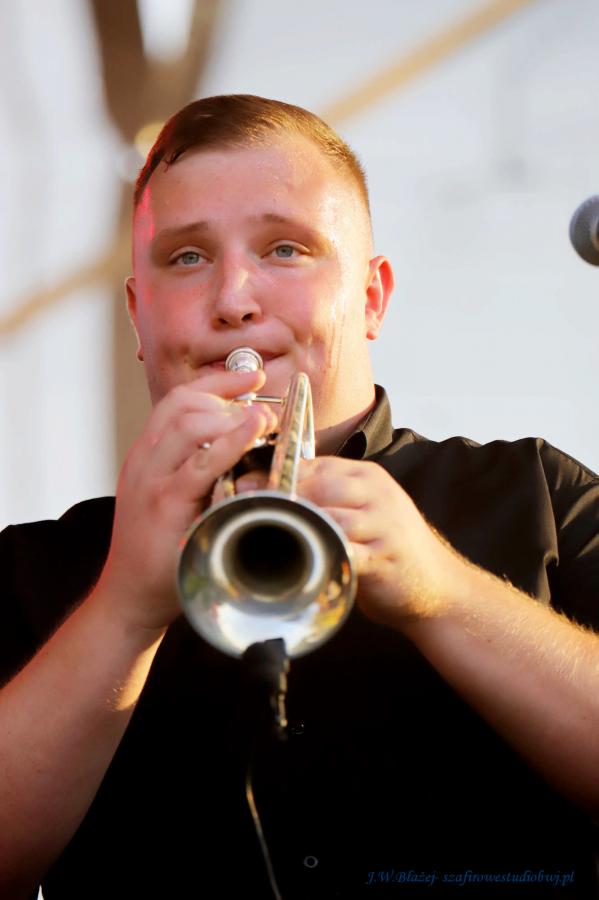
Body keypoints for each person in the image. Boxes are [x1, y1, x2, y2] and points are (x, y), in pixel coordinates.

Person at [1, 94, 598, 900]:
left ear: (372, 298)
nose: (233, 300)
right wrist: (121, 611)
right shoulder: (36, 565)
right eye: (186, 257)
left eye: (286, 248)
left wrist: (446, 595)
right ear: (139, 317)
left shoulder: (537, 494)